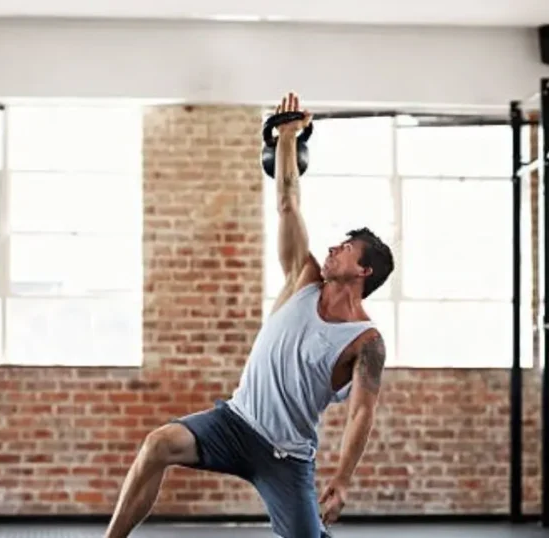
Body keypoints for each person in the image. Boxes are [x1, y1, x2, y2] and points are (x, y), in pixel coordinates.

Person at [102, 91, 394, 538]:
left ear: (364, 270)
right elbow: (287, 202)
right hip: (234, 422)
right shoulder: (304, 277)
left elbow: (361, 415)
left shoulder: (366, 342)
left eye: (346, 249)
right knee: (158, 444)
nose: (334, 249)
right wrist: (287, 136)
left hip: (285, 455)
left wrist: (341, 479)